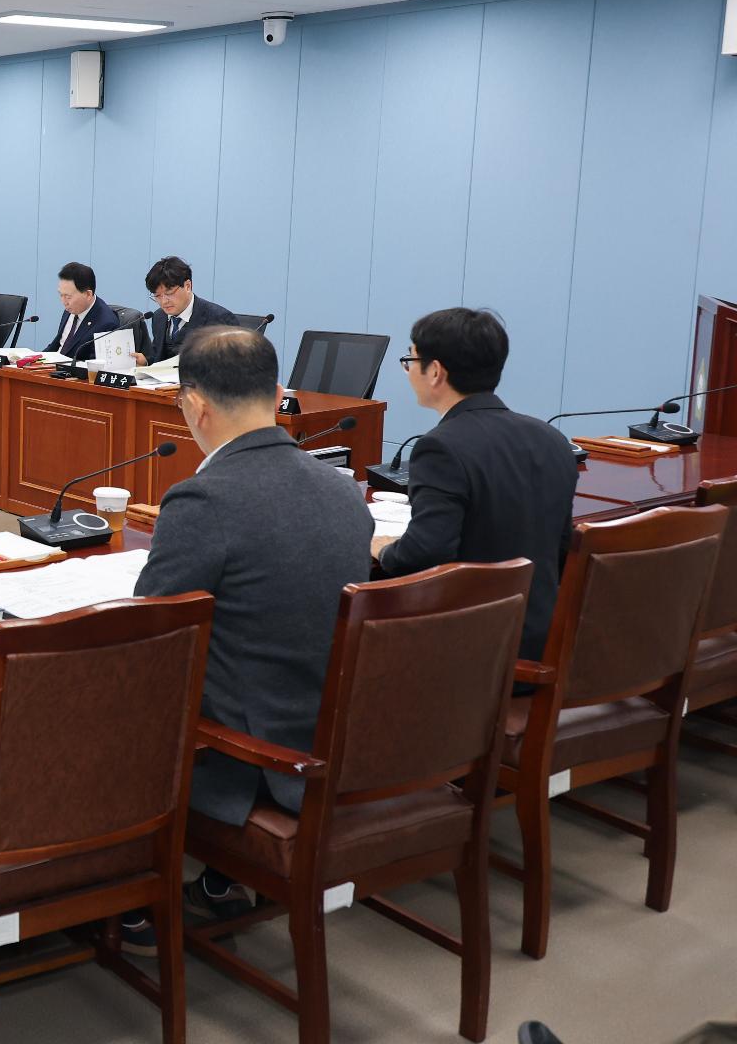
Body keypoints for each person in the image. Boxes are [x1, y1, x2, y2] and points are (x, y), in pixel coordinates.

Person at [126, 326, 373, 949]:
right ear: (279, 391)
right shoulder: (343, 490)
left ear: (193, 405)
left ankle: (121, 893)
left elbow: (147, 636)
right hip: (334, 739)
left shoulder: (204, 498)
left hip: (252, 759)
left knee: (101, 692)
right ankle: (217, 882)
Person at [373, 308, 577, 663]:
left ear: (435, 372)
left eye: (411, 360)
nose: (408, 372)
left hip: (473, 654)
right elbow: (562, 546)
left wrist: (383, 549)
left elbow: (424, 553)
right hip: (541, 643)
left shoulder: (440, 447)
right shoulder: (552, 439)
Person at [134, 255, 236, 365]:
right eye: (157, 296)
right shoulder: (159, 316)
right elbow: (159, 357)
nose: (164, 301)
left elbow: (229, 365)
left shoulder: (219, 319)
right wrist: (146, 361)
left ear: (187, 286)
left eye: (169, 293)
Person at [43, 262, 120, 361]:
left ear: (88, 294)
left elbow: (95, 366)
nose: (64, 302)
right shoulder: (71, 308)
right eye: (61, 295)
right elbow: (57, 345)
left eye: (68, 296)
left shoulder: (107, 324)